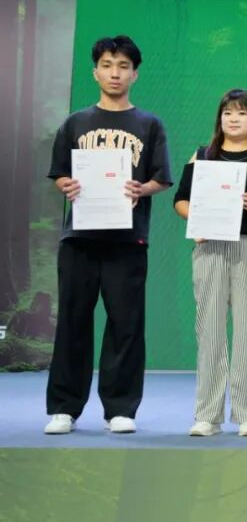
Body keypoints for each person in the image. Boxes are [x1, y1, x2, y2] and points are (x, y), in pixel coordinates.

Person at [44, 35, 172, 435]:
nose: (114, 73)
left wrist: (142, 189)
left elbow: (161, 179)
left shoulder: (149, 124)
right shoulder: (75, 122)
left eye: (123, 66)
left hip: (128, 240)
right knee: (72, 321)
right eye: (107, 65)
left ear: (135, 74)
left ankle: (120, 408)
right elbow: (59, 173)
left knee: (126, 324)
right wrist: (66, 185)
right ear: (95, 72)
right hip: (79, 239)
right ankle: (64, 408)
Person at [173, 89, 247, 437]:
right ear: (219, 118)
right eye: (228, 113)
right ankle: (207, 415)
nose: (233, 119)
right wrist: (197, 222)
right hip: (210, 248)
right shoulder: (202, 156)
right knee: (209, 330)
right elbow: (180, 200)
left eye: (242, 113)